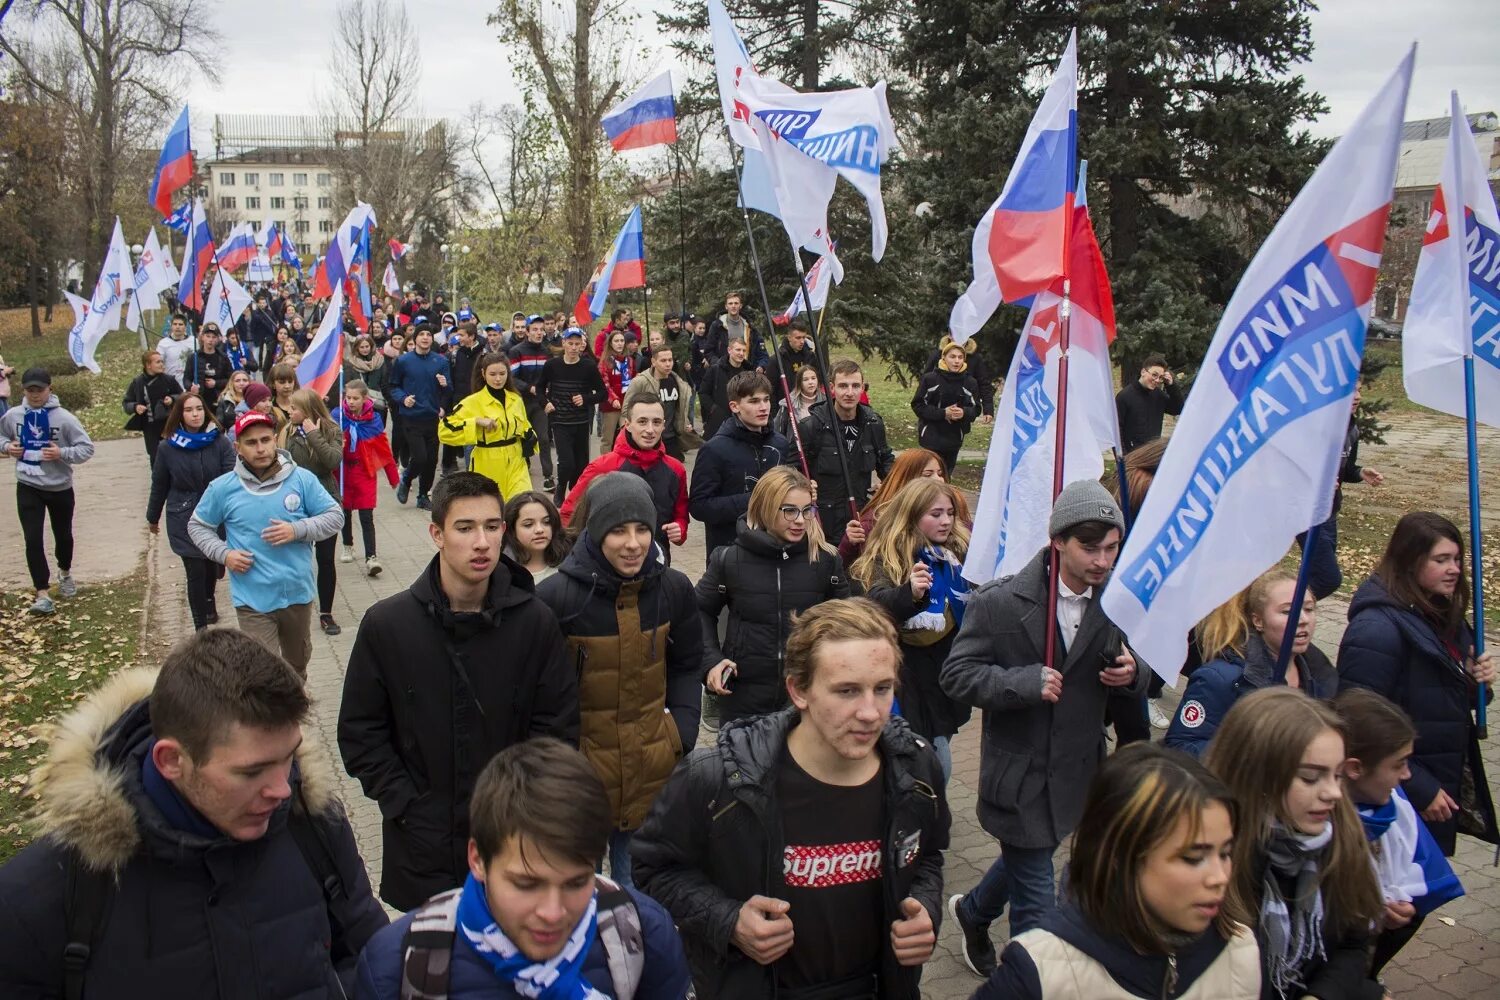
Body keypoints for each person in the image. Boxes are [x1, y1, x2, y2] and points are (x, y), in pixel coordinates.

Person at [0, 629, 389, 998]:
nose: (283, 789)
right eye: (251, 772)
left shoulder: (312, 824)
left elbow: (372, 959)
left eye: (288, 758)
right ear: (171, 760)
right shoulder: (52, 893)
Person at [633, 597, 949, 999]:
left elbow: (929, 857)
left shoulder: (916, 769)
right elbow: (653, 868)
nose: (870, 712)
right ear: (799, 690)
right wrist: (728, 921)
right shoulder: (720, 780)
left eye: (882, 689)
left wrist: (925, 908)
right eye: (847, 691)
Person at [339, 472, 579, 911]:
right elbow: (360, 731)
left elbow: (558, 727)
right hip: (422, 846)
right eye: (465, 528)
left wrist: (526, 807)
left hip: (512, 839)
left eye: (492, 527)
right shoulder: (387, 626)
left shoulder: (534, 622)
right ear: (437, 534)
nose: (482, 542)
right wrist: (406, 804)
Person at [941, 480, 1149, 976]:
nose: (1103, 560)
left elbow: (1145, 667)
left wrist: (1132, 673)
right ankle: (1028, 982)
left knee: (1033, 856)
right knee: (1038, 916)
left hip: (1077, 775)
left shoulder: (1117, 601)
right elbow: (956, 674)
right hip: (1020, 778)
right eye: (1090, 547)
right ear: (1058, 540)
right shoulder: (1000, 603)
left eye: (1112, 547)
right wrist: (1020, 683)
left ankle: (973, 911)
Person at [355, 738, 690, 999]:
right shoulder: (397, 968)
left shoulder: (645, 936)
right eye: (526, 885)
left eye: (576, 883)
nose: (552, 912)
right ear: (478, 860)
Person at [973, 742, 1260, 1000]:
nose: (1220, 877)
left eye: (1225, 853)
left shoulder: (1240, 950)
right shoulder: (1040, 971)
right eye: (1193, 857)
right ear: (1122, 857)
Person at [536, 473, 703, 888]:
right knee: (579, 898)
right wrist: (557, 764)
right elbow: (536, 695)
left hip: (650, 771)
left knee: (640, 901)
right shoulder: (555, 600)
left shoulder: (674, 590)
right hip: (580, 783)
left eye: (642, 529)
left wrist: (680, 732)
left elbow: (686, 664)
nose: (632, 543)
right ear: (594, 532)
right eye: (617, 531)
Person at [1204, 687, 1385, 1000]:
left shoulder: (1340, 834)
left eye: (1338, 775)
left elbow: (1352, 945)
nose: (1334, 793)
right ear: (1257, 776)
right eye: (1311, 777)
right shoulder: (1208, 861)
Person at [1337, 511, 1498, 855]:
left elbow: (1448, 697)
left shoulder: (1442, 614)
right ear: (1411, 561)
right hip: (1398, 791)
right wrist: (1420, 786)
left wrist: (1475, 681)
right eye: (1442, 560)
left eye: (1457, 559)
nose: (1455, 568)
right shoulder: (1375, 630)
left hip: (1435, 775)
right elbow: (1357, 721)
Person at [188, 411, 343, 677]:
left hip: (297, 593)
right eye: (251, 442)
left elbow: (335, 516)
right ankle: (274, 718)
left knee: (297, 665)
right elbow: (198, 526)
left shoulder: (301, 480)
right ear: (238, 448)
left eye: (265, 440)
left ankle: (292, 709)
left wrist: (297, 529)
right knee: (264, 672)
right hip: (252, 599)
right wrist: (225, 554)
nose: (260, 448)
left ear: (275, 441)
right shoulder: (223, 488)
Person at [697, 466, 850, 722]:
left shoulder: (825, 560)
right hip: (743, 698)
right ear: (766, 507)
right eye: (789, 510)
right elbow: (698, 610)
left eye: (806, 510)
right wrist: (711, 660)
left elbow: (848, 623)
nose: (800, 520)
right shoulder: (729, 559)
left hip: (807, 697)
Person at [1333, 687, 1464, 975]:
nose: (1406, 776)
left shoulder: (1395, 806)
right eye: (1399, 765)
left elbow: (1418, 875)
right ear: (1355, 768)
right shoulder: (1320, 824)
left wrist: (1401, 908)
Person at [851, 476, 973, 781]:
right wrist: (910, 594)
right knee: (933, 753)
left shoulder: (960, 552)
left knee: (941, 736)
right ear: (912, 516)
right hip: (907, 672)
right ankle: (926, 809)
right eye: (935, 514)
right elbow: (874, 603)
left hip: (948, 667)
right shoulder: (889, 553)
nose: (946, 521)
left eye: (950, 513)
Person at [1166, 568, 1339, 758]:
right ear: (1258, 621)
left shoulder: (1320, 674)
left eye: (1309, 609)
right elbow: (1179, 748)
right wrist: (1251, 753)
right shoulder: (1221, 679)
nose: (1303, 620)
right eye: (1288, 611)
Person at [1, 368, 95, 615]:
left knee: (63, 536)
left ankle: (64, 572)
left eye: (39, 390)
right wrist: (8, 446)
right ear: (23, 390)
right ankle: (41, 592)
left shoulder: (64, 419)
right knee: (32, 538)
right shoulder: (14, 415)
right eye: (30, 390)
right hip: (28, 484)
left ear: (49, 389)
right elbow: (1, 437)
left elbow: (86, 449)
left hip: (59, 486)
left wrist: (61, 453)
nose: (34, 395)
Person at [561, 391, 690, 560]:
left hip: (657, 563)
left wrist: (679, 529)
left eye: (656, 422)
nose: (650, 430)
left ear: (664, 425)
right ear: (627, 424)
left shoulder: (676, 469)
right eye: (642, 422)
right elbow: (569, 514)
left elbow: (681, 516)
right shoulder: (603, 466)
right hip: (606, 566)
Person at [146, 393, 236, 631]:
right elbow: (160, 484)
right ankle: (200, 627)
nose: (195, 414)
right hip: (183, 514)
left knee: (210, 567)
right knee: (194, 569)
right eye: (189, 410)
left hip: (215, 513)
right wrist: (152, 517)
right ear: (180, 414)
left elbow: (231, 479)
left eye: (199, 409)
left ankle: (209, 599)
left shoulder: (220, 442)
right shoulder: (167, 447)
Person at [690, 371, 796, 556]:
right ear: (735, 406)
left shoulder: (780, 443)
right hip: (731, 552)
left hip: (775, 549)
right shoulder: (714, 449)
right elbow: (700, 506)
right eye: (754, 401)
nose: (763, 407)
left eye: (766, 399)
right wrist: (753, 501)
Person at [1298, 378, 1385, 600]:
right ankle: (1283, 613)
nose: (1358, 397)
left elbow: (1345, 469)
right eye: (1350, 391)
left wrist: (1360, 473)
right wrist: (1316, 483)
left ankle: (1288, 620)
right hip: (1306, 512)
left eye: (1359, 390)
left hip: (1330, 513)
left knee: (1315, 575)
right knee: (1328, 579)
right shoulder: (1311, 428)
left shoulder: (1351, 426)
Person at [796, 358, 895, 545]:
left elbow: (886, 461)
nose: (850, 392)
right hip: (823, 523)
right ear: (831, 388)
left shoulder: (873, 424)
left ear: (862, 389)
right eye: (843, 386)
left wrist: (889, 485)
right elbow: (792, 470)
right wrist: (805, 484)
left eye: (856, 386)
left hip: (860, 520)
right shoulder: (811, 426)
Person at [282, 388, 346, 637]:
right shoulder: (287, 431)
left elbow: (332, 461)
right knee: (297, 559)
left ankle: (326, 613)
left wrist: (313, 434)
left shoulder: (331, 429)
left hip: (325, 500)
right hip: (296, 502)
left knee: (326, 559)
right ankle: (294, 607)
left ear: (307, 410)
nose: (290, 411)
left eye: (295, 408)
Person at [438, 349, 534, 502]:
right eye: (493, 374)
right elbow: (445, 430)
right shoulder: (473, 402)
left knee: (521, 504)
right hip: (487, 461)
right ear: (483, 374)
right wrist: (475, 422)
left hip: (516, 461)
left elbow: (525, 425)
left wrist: (530, 439)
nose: (498, 379)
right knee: (491, 507)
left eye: (502, 374)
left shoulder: (515, 399)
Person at [837, 447, 955, 567]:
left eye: (940, 474)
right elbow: (843, 568)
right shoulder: (876, 521)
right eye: (928, 474)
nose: (938, 479)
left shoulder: (953, 506)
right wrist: (849, 543)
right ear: (906, 478)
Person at [536, 326, 606, 504]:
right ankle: (560, 489)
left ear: (582, 345)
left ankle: (574, 496)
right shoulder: (553, 365)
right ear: (564, 343)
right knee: (567, 462)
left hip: (582, 421)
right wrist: (546, 403)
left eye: (577, 344)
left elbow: (602, 393)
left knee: (581, 465)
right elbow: (539, 388)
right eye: (570, 343)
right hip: (560, 421)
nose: (574, 347)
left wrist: (586, 398)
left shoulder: (588, 366)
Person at [337, 378, 398, 577]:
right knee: (345, 511)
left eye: (356, 398)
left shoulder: (374, 419)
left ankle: (371, 557)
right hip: (344, 471)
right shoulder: (337, 416)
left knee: (366, 515)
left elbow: (382, 447)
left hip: (364, 472)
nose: (351, 402)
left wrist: (392, 476)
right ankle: (347, 544)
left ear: (364, 398)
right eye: (348, 398)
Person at [389, 324, 452, 510]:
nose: (425, 337)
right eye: (421, 334)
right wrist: (403, 399)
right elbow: (393, 386)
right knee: (420, 457)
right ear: (414, 339)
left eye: (428, 334)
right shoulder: (403, 361)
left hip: (432, 417)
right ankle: (407, 479)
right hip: (411, 416)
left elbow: (449, 390)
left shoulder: (440, 361)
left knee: (432, 460)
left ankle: (423, 495)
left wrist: (444, 390)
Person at [910, 336, 981, 475]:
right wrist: (943, 413)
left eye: (960, 357)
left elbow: (976, 409)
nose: (956, 361)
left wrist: (964, 413)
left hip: (954, 439)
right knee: (929, 477)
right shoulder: (930, 379)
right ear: (944, 358)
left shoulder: (970, 382)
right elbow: (918, 405)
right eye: (952, 356)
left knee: (946, 478)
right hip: (931, 438)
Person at [624, 341, 701, 461]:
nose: (668, 364)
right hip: (649, 438)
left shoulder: (677, 381)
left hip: (671, 438)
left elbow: (679, 408)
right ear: (653, 362)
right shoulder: (640, 382)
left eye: (670, 360)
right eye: (663, 361)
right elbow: (626, 410)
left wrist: (684, 422)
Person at [507, 315, 557, 489]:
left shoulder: (546, 352)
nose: (539, 333)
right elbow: (512, 378)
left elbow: (550, 377)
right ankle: (521, 467)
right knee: (521, 439)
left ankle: (548, 476)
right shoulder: (517, 351)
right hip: (520, 402)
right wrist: (529, 388)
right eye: (534, 329)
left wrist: (548, 390)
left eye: (541, 330)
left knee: (543, 438)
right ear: (527, 332)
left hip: (539, 402)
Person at [121, 350, 182, 466]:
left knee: (174, 455)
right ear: (148, 365)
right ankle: (158, 482)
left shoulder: (169, 380)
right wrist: (135, 407)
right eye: (158, 362)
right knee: (156, 458)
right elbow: (126, 403)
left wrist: (172, 399)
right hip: (150, 427)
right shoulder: (138, 382)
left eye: (162, 362)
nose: (161, 365)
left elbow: (182, 396)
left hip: (169, 424)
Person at [1115, 353, 1184, 453]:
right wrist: (1123, 459)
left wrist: (1171, 386)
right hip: (1132, 456)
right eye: (1154, 375)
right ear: (1143, 372)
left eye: (1160, 377)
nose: (1156, 380)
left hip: (1152, 455)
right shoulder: (1124, 396)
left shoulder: (1158, 395)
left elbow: (1177, 408)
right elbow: (1117, 430)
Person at [504, 489, 571, 584]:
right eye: (528, 524)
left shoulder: (570, 565)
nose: (539, 530)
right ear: (512, 529)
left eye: (546, 522)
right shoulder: (501, 571)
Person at [699, 335, 753, 438]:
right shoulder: (715, 370)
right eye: (738, 350)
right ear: (729, 350)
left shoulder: (748, 373)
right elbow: (703, 393)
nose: (741, 353)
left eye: (743, 350)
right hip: (718, 424)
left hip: (741, 422)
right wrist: (714, 409)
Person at [765, 318, 822, 405]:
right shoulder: (777, 360)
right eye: (798, 338)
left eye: (804, 337)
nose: (802, 341)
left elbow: (818, 380)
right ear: (789, 338)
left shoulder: (810, 357)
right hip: (785, 406)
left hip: (809, 405)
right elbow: (770, 390)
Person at [705, 290, 767, 367]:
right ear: (726, 306)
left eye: (736, 303)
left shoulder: (750, 327)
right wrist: (718, 365)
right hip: (723, 371)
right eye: (730, 303)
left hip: (745, 371)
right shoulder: (717, 326)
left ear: (740, 306)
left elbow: (762, 353)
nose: (733, 306)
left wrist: (761, 366)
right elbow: (708, 351)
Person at [597, 329, 636, 450]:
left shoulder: (629, 360)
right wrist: (613, 399)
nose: (619, 343)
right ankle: (606, 465)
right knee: (607, 439)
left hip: (626, 403)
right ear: (610, 343)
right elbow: (604, 384)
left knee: (627, 437)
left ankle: (625, 463)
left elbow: (634, 379)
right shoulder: (605, 361)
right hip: (611, 406)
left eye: (622, 341)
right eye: (616, 341)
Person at [188, 322, 232, 410]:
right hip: (199, 399)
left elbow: (230, 379)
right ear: (202, 337)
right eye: (208, 336)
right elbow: (186, 378)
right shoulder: (194, 357)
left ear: (218, 339)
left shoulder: (223, 357)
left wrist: (216, 383)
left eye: (214, 337)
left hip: (218, 399)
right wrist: (191, 387)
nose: (210, 340)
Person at [774, 363, 824, 439]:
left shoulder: (826, 401)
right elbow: (777, 431)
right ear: (799, 383)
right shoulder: (788, 404)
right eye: (806, 379)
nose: (810, 382)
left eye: (813, 378)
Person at [343, 332, 389, 412]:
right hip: (359, 405)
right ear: (357, 348)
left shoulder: (380, 361)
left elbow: (384, 383)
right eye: (362, 347)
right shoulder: (351, 363)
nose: (365, 349)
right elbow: (348, 384)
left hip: (377, 403)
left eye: (367, 346)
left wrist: (388, 400)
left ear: (371, 346)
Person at [156, 313, 196, 384]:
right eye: (175, 324)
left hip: (191, 385)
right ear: (171, 326)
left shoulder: (194, 341)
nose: (177, 327)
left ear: (185, 326)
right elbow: (158, 363)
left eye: (180, 324)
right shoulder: (163, 343)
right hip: (171, 385)